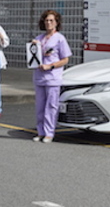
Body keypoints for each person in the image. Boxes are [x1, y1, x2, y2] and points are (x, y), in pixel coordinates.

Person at [30, 10, 72, 143]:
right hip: (39, 77)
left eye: (51, 21)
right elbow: (33, 57)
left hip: (53, 77)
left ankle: (49, 132)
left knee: (51, 106)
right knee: (40, 106)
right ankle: (40, 131)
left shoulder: (60, 38)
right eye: (46, 20)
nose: (48, 23)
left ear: (56, 23)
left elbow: (65, 59)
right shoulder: (39, 38)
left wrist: (51, 66)